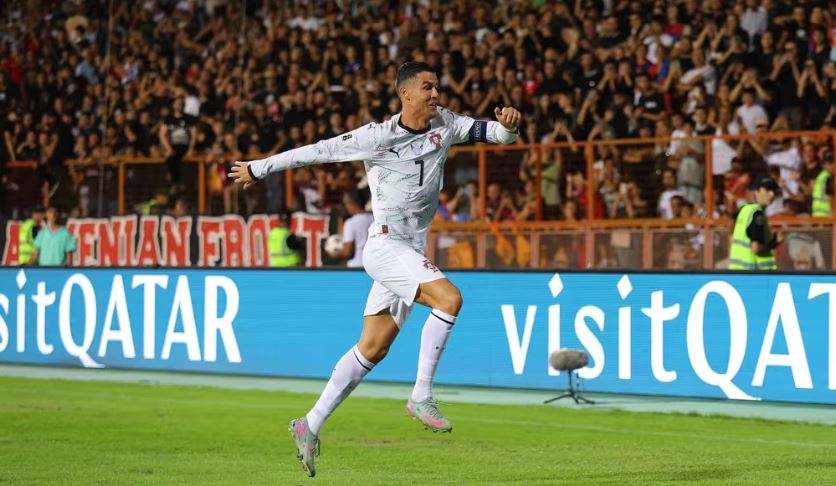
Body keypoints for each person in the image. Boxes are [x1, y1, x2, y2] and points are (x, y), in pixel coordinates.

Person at [229, 61, 521, 477]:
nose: (436, 94)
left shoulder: (447, 124)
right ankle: (421, 395)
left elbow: (494, 134)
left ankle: (309, 423)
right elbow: (317, 151)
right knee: (450, 299)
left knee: (373, 348)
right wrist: (259, 168)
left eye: (437, 87)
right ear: (405, 93)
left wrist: (508, 126)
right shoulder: (377, 136)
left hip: (410, 250)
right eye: (428, 88)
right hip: (386, 246)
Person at [728, 176, 784, 270]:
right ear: (756, 191)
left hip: (737, 269)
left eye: (774, 191)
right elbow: (756, 248)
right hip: (754, 272)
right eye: (767, 190)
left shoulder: (744, 208)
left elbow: (730, 229)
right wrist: (774, 242)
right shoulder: (758, 215)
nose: (772, 194)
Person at [332, 190, 374, 268]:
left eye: (346, 203)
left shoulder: (350, 223)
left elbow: (347, 252)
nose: (346, 206)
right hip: (373, 265)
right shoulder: (374, 219)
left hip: (356, 266)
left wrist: (333, 254)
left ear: (352, 203)